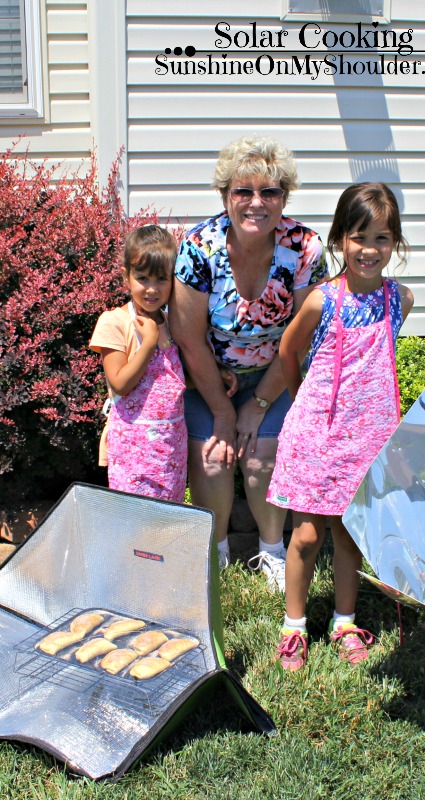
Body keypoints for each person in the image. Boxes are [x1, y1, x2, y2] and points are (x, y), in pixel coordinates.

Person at [267, 182, 414, 670]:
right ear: (339, 240)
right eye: (359, 237)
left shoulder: (401, 301)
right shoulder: (322, 301)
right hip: (319, 437)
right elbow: (289, 351)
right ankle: (294, 626)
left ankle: (344, 620)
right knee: (307, 535)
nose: (370, 250)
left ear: (395, 244)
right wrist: (299, 399)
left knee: (350, 534)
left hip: (369, 440)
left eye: (382, 239)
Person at [170, 136, 327, 588]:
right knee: (214, 457)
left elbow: (303, 335)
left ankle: (272, 550)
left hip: (278, 371)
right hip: (209, 374)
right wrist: (222, 409)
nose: (256, 203)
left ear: (284, 198)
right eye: (243, 191)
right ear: (225, 196)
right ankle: (214, 550)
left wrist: (258, 404)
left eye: (270, 192)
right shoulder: (199, 248)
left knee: (260, 456)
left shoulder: (305, 248)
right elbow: (187, 336)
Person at [90, 225, 187, 502]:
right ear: (126, 277)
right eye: (142, 278)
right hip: (134, 448)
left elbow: (173, 381)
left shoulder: (171, 322)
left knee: (168, 516)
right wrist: (148, 343)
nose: (152, 289)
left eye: (161, 279)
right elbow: (120, 383)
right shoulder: (115, 322)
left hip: (171, 445)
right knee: (135, 518)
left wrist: (219, 376)